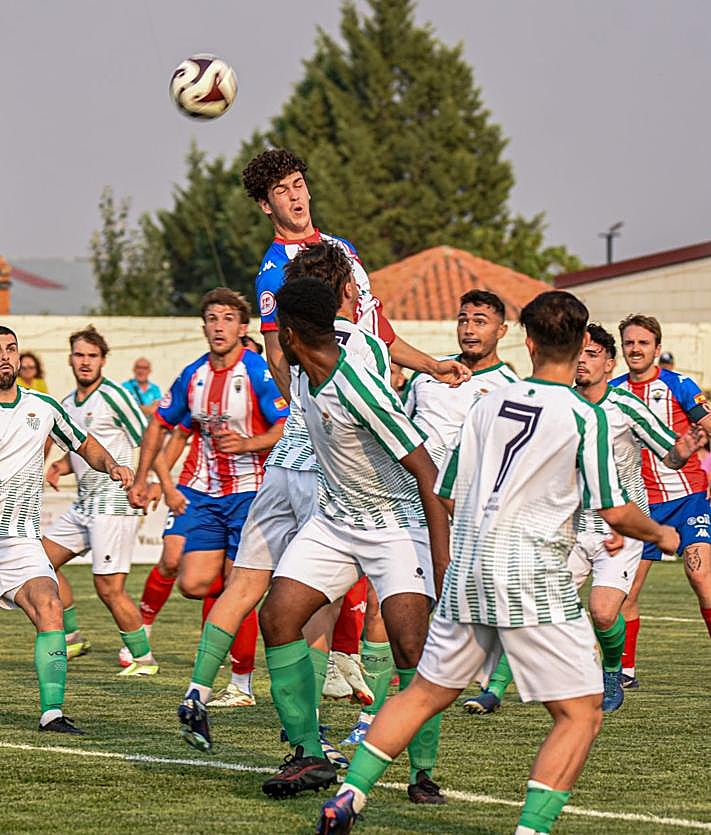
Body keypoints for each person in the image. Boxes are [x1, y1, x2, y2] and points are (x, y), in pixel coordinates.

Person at [316, 291, 679, 835]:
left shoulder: (487, 404)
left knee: (424, 694)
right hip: (532, 575)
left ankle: (348, 797)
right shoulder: (585, 416)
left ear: (528, 342)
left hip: (468, 569)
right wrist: (662, 533)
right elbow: (616, 510)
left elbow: (447, 492)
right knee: (580, 713)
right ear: (582, 342)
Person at [175, 243, 395, 761]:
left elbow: (284, 374)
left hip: (279, 467)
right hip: (322, 471)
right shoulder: (364, 344)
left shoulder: (295, 341)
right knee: (318, 600)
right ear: (348, 289)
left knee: (244, 583)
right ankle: (309, 727)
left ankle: (196, 692)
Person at [255, 278, 450, 805]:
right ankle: (308, 753)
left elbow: (427, 473)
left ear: (291, 334)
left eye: (276, 331)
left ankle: (423, 774)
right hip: (335, 521)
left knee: (410, 645)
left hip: (395, 525)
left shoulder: (358, 389)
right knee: (277, 616)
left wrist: (443, 560)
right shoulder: (304, 371)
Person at [464, 323, 704, 717]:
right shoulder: (560, 405)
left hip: (620, 527)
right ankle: (495, 689)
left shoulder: (625, 406)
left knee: (604, 612)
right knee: (530, 608)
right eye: (580, 354)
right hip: (569, 529)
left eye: (592, 355)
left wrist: (686, 448)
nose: (583, 362)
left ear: (609, 363)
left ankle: (611, 672)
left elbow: (670, 455)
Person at [340, 289, 518, 746]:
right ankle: (372, 716)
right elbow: (401, 431)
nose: (469, 328)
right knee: (386, 605)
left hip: (468, 513)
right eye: (464, 319)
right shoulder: (427, 376)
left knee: (478, 605)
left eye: (480, 320)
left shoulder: (509, 388)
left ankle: (489, 680)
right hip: (411, 505)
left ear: (502, 330)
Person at [128, 287, 289, 706]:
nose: (219, 327)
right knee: (194, 582)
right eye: (213, 319)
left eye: (228, 319)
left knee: (239, 587)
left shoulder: (257, 371)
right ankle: (225, 614)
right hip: (203, 492)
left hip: (251, 493)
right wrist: (146, 479)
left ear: (243, 328)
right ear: (203, 327)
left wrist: (248, 443)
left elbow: (286, 425)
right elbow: (161, 424)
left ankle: (241, 685)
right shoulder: (193, 375)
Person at [0, 325, 133, 733]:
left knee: (49, 605)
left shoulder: (42, 407)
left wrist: (112, 465)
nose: (5, 357)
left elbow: (84, 443)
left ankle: (52, 713)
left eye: (11, 349)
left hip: (19, 541)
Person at [42, 326, 159, 676]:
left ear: (103, 360)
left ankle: (144, 659)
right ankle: (72, 636)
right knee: (41, 562)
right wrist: (60, 466)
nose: (85, 362)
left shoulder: (115, 395)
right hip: (83, 506)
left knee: (109, 588)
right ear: (70, 359)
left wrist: (150, 481)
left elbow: (149, 436)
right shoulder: (66, 403)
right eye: (79, 355)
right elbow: (81, 450)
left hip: (114, 504)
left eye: (92, 356)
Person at [611, 314, 711, 687]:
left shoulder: (679, 385)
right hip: (640, 506)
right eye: (629, 343)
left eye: (643, 343)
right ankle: (625, 672)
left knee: (700, 576)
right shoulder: (613, 392)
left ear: (656, 348)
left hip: (689, 498)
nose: (635, 349)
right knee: (626, 591)